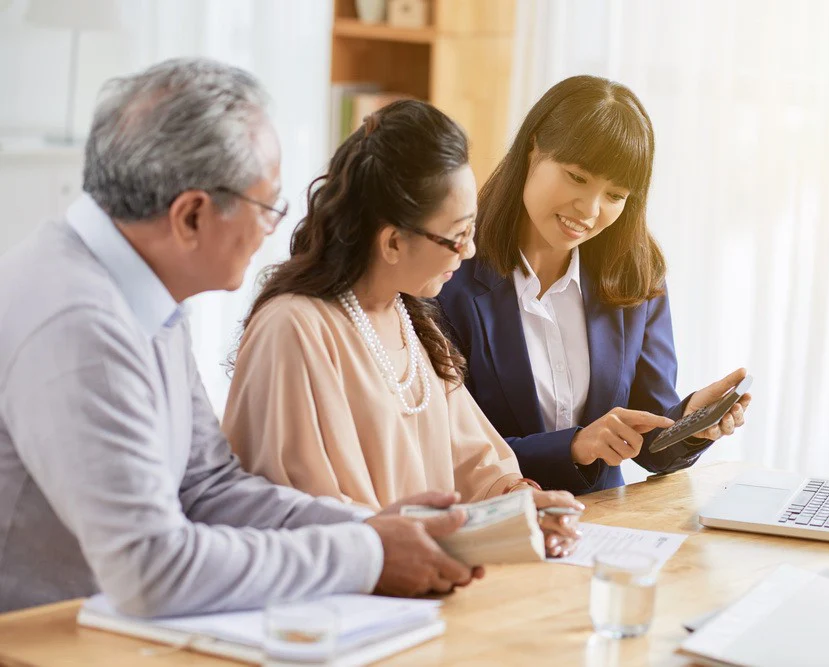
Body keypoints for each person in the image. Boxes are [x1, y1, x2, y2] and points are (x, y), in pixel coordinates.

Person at [0, 58, 479, 616]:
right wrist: (366, 552)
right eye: (267, 206)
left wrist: (372, 526)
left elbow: (207, 486)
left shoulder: (140, 291)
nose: (275, 229)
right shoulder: (81, 325)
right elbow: (151, 570)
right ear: (192, 216)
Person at [223, 100, 583, 558]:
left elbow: (473, 462)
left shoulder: (408, 317)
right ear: (393, 241)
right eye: (458, 235)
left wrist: (520, 505)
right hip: (347, 599)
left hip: (417, 585)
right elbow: (301, 511)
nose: (470, 252)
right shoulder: (294, 329)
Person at [437, 75, 752, 495]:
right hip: (494, 528)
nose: (589, 210)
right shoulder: (446, 278)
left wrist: (691, 425)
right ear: (533, 147)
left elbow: (648, 442)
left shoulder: (635, 274)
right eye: (577, 177)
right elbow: (445, 449)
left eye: (615, 195)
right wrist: (574, 446)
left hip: (603, 531)